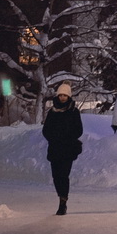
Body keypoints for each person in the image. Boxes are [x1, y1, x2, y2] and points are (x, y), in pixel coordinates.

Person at [42, 82, 83, 216]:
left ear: (69, 96)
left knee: (63, 175)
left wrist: (67, 137)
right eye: (61, 95)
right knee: (56, 176)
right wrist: (53, 138)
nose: (63, 98)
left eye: (65, 95)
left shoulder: (73, 111)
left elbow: (79, 130)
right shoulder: (52, 112)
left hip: (68, 149)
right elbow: (46, 130)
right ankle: (61, 195)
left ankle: (62, 203)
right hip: (55, 148)